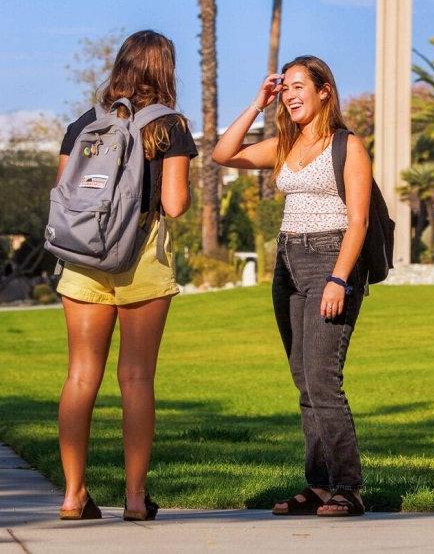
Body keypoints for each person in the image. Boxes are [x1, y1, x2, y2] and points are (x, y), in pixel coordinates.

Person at [212, 55, 372, 517]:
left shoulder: (349, 145)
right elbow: (224, 154)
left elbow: (358, 222)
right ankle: (320, 485)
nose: (291, 94)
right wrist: (256, 103)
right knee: (304, 380)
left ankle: (349, 486)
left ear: (325, 91)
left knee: (323, 379)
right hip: (287, 263)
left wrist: (339, 277)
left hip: (330, 258)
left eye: (300, 86)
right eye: (286, 88)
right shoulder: (284, 144)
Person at [55, 30, 197, 521]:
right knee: (136, 377)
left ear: (121, 66)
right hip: (141, 259)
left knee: (80, 375)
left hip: (83, 260)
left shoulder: (82, 125)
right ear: (165, 71)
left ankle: (74, 496)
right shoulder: (168, 126)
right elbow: (175, 206)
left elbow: (64, 195)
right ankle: (135, 500)